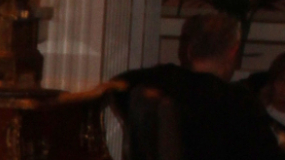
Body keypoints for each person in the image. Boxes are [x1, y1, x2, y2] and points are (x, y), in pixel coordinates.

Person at [114, 13, 283, 160]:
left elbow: (115, 87)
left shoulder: (157, 80)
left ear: (189, 50)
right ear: (233, 52)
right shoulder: (239, 103)